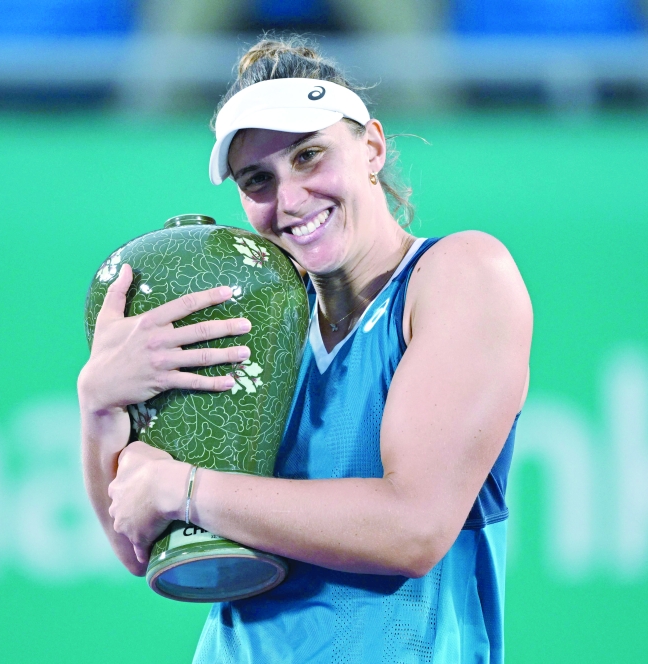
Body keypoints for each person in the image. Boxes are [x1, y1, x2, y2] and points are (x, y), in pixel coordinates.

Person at [78, 37, 532, 663]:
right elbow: (143, 551)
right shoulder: (249, 322)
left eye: (310, 156)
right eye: (257, 180)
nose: (289, 200)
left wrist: (183, 487)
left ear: (372, 147)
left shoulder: (462, 273)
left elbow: (414, 527)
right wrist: (100, 406)